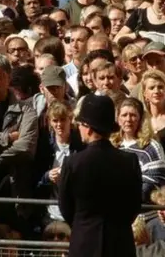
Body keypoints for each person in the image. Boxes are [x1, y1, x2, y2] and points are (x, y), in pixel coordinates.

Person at [58, 92, 142, 257]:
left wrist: (83, 224)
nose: (79, 128)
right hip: (120, 244)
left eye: (80, 123)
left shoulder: (73, 163)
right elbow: (134, 205)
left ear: (88, 127)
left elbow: (66, 206)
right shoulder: (129, 161)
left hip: (84, 242)